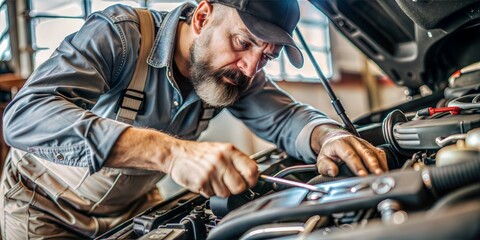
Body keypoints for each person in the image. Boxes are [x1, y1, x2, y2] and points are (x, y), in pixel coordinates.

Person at [0, 0, 387, 238]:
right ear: (202, 17)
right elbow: (25, 116)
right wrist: (169, 152)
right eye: (243, 42)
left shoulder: (236, 74)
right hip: (45, 209)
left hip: (132, 207)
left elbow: (287, 117)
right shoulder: (119, 36)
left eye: (266, 56)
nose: (251, 67)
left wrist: (329, 136)